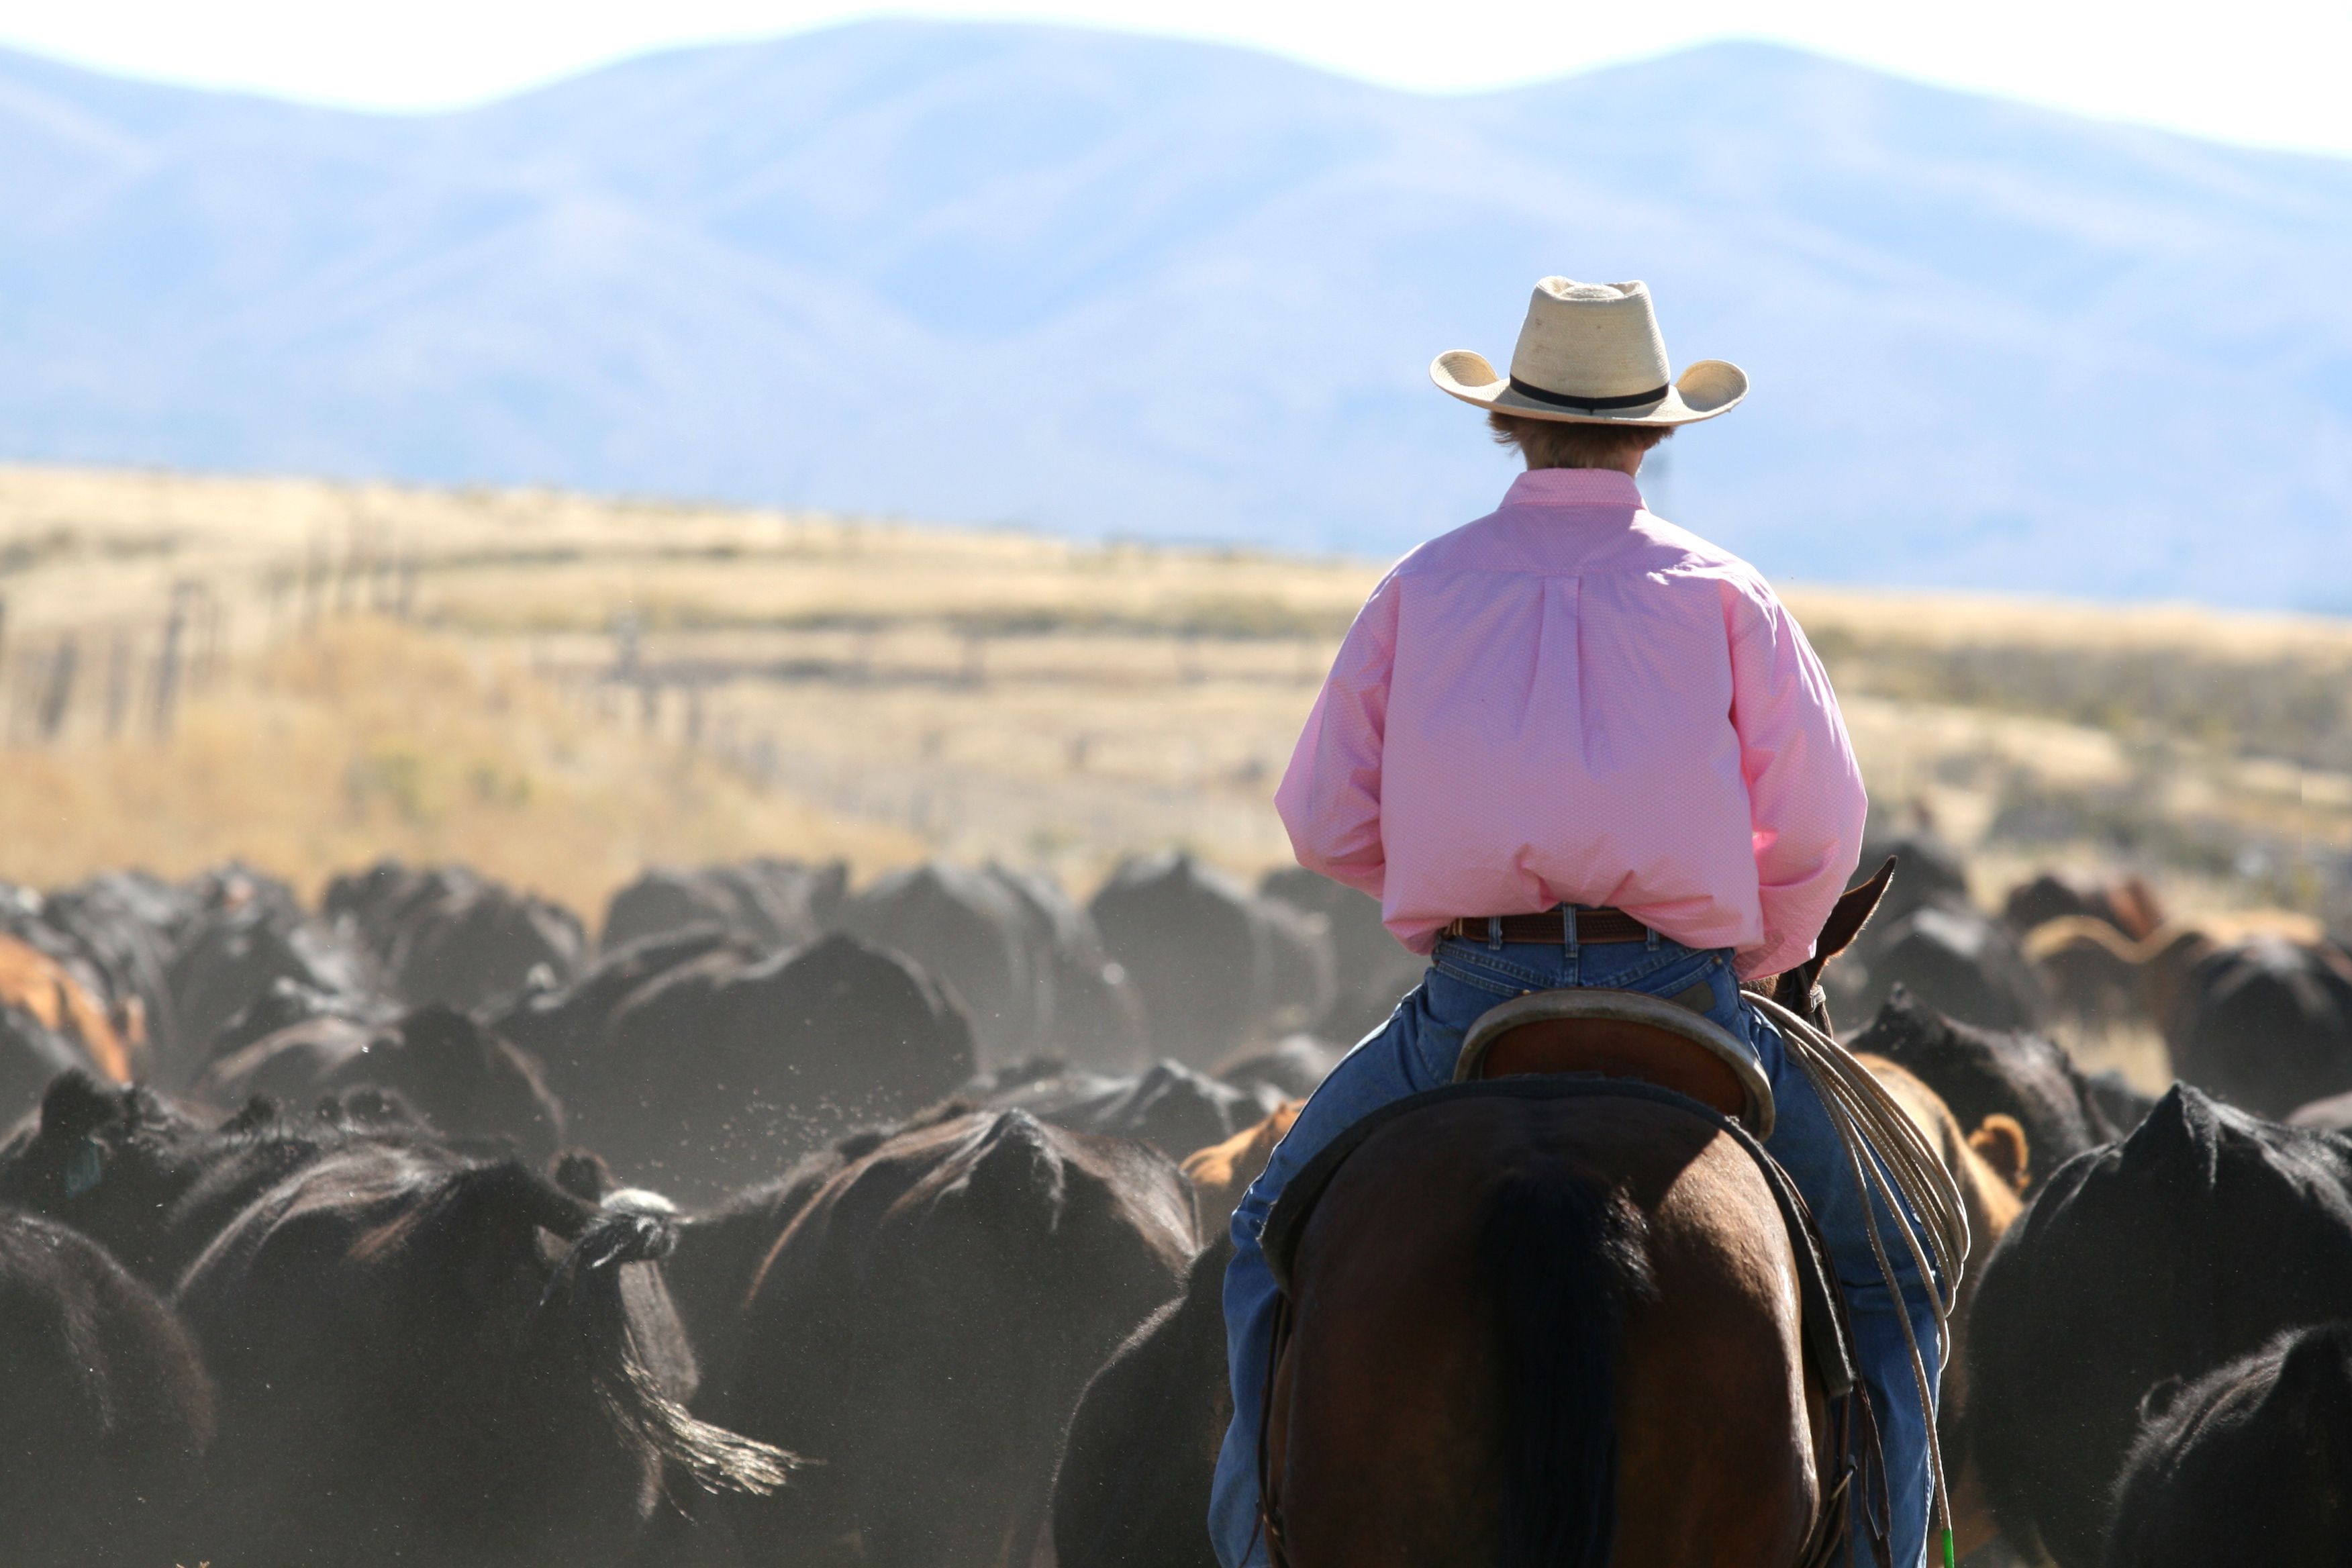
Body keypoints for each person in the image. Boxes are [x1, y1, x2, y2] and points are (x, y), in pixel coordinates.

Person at [1209, 277, 1941, 1567]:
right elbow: (1824, 827)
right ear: (1656, 435)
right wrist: (1757, 952)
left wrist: (1448, 874)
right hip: (1686, 994)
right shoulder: (1727, 593)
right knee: (1891, 1279)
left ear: (1511, 426)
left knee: (1265, 1242)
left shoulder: (1421, 589)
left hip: (1472, 1001)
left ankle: (1253, 1551)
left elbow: (1321, 817)